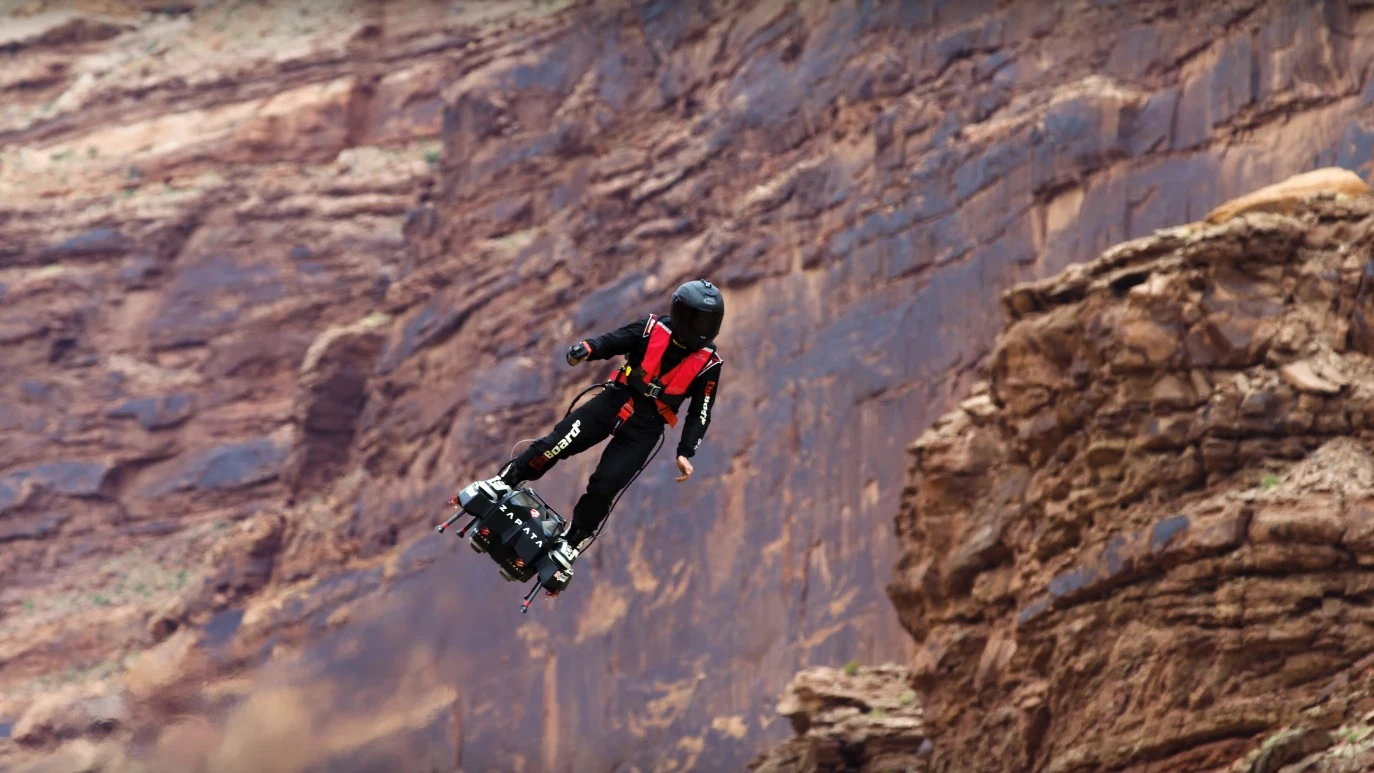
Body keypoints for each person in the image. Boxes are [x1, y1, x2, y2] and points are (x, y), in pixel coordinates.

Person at [473, 279, 725, 572]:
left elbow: (700, 413)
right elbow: (613, 340)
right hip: (614, 400)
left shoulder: (710, 364)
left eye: (710, 320)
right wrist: (586, 349)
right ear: (682, 314)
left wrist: (686, 450)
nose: (703, 327)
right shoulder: (651, 328)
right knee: (558, 443)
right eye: (698, 318)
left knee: (607, 485)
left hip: (648, 427)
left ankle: (574, 539)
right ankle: (507, 480)